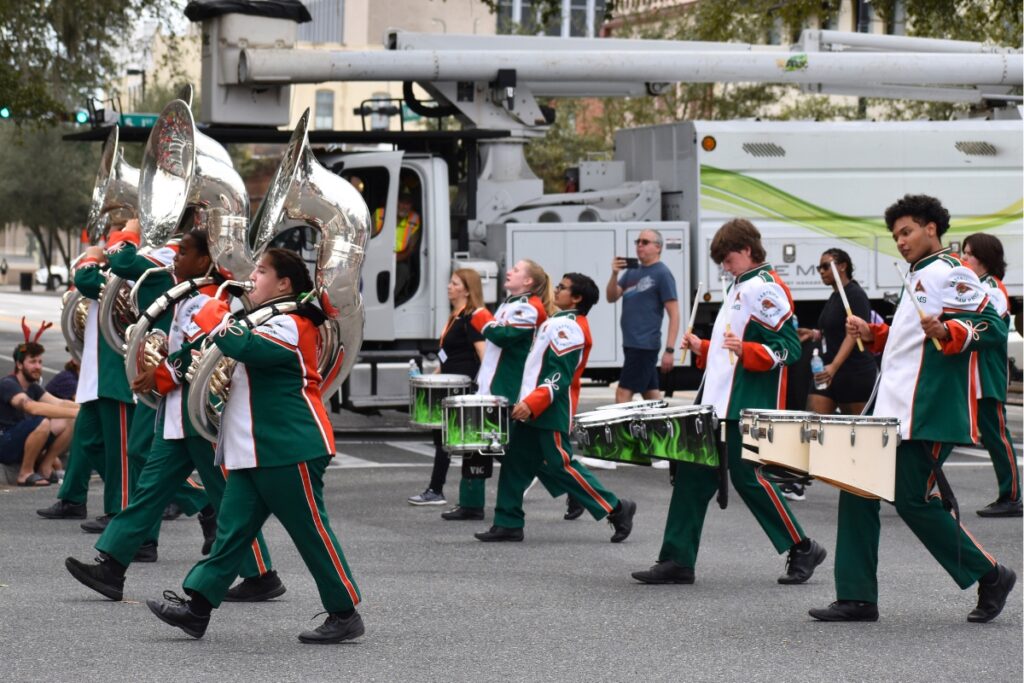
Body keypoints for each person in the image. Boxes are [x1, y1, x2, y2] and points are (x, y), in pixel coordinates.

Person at [809, 194, 1016, 623]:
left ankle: (991, 574)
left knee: (914, 502)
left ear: (931, 229)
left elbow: (992, 325)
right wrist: (872, 332)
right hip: (891, 408)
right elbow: (910, 346)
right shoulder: (920, 274)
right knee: (857, 489)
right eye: (895, 235)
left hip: (925, 411)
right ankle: (856, 596)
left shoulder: (950, 270)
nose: (900, 242)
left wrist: (950, 329)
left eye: (906, 232)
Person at [146, 248, 364, 644]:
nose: (253, 276)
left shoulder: (291, 321)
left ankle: (344, 610)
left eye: (262, 271)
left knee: (310, 532)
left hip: (288, 445)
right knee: (230, 534)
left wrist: (218, 320)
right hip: (254, 449)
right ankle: (197, 609)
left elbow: (253, 350)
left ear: (284, 284)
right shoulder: (265, 319)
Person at [65, 227, 282, 601]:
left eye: (184, 254)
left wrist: (160, 372)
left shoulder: (213, 297)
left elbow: (202, 349)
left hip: (196, 415)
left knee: (225, 498)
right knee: (149, 492)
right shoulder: (186, 294)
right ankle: (112, 566)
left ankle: (261, 573)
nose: (176, 259)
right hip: (177, 413)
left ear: (204, 260)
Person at [632, 219, 825, 586]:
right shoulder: (741, 285)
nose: (723, 265)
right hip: (719, 402)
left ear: (748, 251)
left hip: (744, 403)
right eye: (720, 259)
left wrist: (749, 349)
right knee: (691, 475)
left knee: (748, 477)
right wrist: (703, 347)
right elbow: (729, 354)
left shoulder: (764, 289)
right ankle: (677, 559)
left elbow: (789, 349)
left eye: (728, 257)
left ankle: (801, 546)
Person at [473, 272, 637, 543]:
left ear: (576, 298)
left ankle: (616, 508)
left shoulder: (569, 326)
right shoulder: (559, 321)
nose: (556, 290)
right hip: (535, 406)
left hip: (548, 408)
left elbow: (559, 374)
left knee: (562, 465)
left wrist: (532, 402)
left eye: (562, 288)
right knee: (515, 463)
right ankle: (507, 522)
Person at [440, 259, 553, 522]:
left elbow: (503, 336)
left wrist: (484, 320)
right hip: (492, 386)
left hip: (509, 389)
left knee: (515, 453)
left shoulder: (528, 307)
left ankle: (571, 490)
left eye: (515, 270)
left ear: (527, 281)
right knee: (478, 444)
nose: (509, 272)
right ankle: (471, 503)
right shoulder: (510, 303)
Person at [37, 245, 135, 526]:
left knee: (126, 453)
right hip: (97, 373)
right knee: (87, 439)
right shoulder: (118, 270)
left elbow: (85, 279)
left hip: (115, 376)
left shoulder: (135, 269)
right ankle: (74, 497)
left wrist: (95, 255)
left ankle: (124, 507)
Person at [787, 248, 878, 501]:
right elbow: (835, 331)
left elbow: (854, 333)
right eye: (819, 268)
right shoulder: (835, 296)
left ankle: (882, 482)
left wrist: (835, 367)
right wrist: (814, 334)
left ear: (843, 266)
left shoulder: (855, 295)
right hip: (830, 373)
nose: (821, 272)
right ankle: (797, 480)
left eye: (826, 266)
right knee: (812, 421)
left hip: (854, 373)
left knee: (863, 435)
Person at [407, 269, 486, 507]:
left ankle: (439, 489)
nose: (449, 287)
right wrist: (438, 374)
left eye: (455, 283)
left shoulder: (472, 317)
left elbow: (484, 356)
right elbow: (451, 353)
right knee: (444, 437)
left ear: (467, 289)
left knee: (465, 441)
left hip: (463, 386)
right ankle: (436, 489)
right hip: (450, 384)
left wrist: (479, 387)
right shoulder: (456, 316)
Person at [959, 233, 1021, 517]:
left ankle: (1011, 497)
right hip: (973, 373)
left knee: (996, 434)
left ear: (983, 258)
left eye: (968, 253)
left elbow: (984, 328)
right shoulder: (978, 285)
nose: (964, 258)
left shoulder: (993, 288)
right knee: (960, 430)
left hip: (986, 372)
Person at [606, 228, 681, 403]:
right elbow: (611, 296)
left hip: (644, 344)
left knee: (622, 394)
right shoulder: (632, 272)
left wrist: (669, 350)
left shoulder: (662, 274)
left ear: (658, 247)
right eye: (638, 242)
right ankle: (664, 430)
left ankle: (621, 430)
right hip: (631, 343)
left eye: (645, 242)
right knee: (651, 394)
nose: (640, 245)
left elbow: (674, 314)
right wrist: (614, 274)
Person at [1, 334, 79, 486]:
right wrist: (76, 412)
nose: (38, 366)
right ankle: (25, 473)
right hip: (4, 442)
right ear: (19, 364)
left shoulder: (33, 387)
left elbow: (60, 403)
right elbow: (31, 407)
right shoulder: (8, 384)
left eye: (40, 362)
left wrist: (88, 409)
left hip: (19, 441)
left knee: (67, 420)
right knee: (42, 423)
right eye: (32, 362)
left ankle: (45, 468)